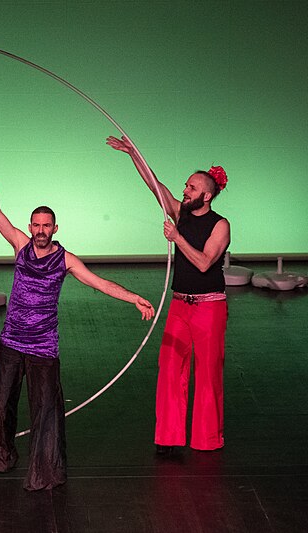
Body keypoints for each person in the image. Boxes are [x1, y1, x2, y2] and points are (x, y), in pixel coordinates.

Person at [0, 158, 155, 490]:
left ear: (55, 228)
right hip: (12, 340)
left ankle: (46, 472)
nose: (40, 231)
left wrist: (134, 298)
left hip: (43, 345)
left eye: (46, 226)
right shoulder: (20, 245)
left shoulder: (66, 259)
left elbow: (99, 283)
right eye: (36, 225)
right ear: (30, 227)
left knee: (45, 411)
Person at [107, 135, 230, 454]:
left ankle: (207, 440)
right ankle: (169, 437)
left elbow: (204, 263)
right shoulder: (181, 212)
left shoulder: (220, 225)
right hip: (180, 305)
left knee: (208, 375)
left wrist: (177, 237)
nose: (184, 190)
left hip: (209, 307)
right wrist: (133, 152)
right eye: (186, 186)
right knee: (170, 369)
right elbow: (154, 185)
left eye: (190, 187)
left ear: (206, 194)